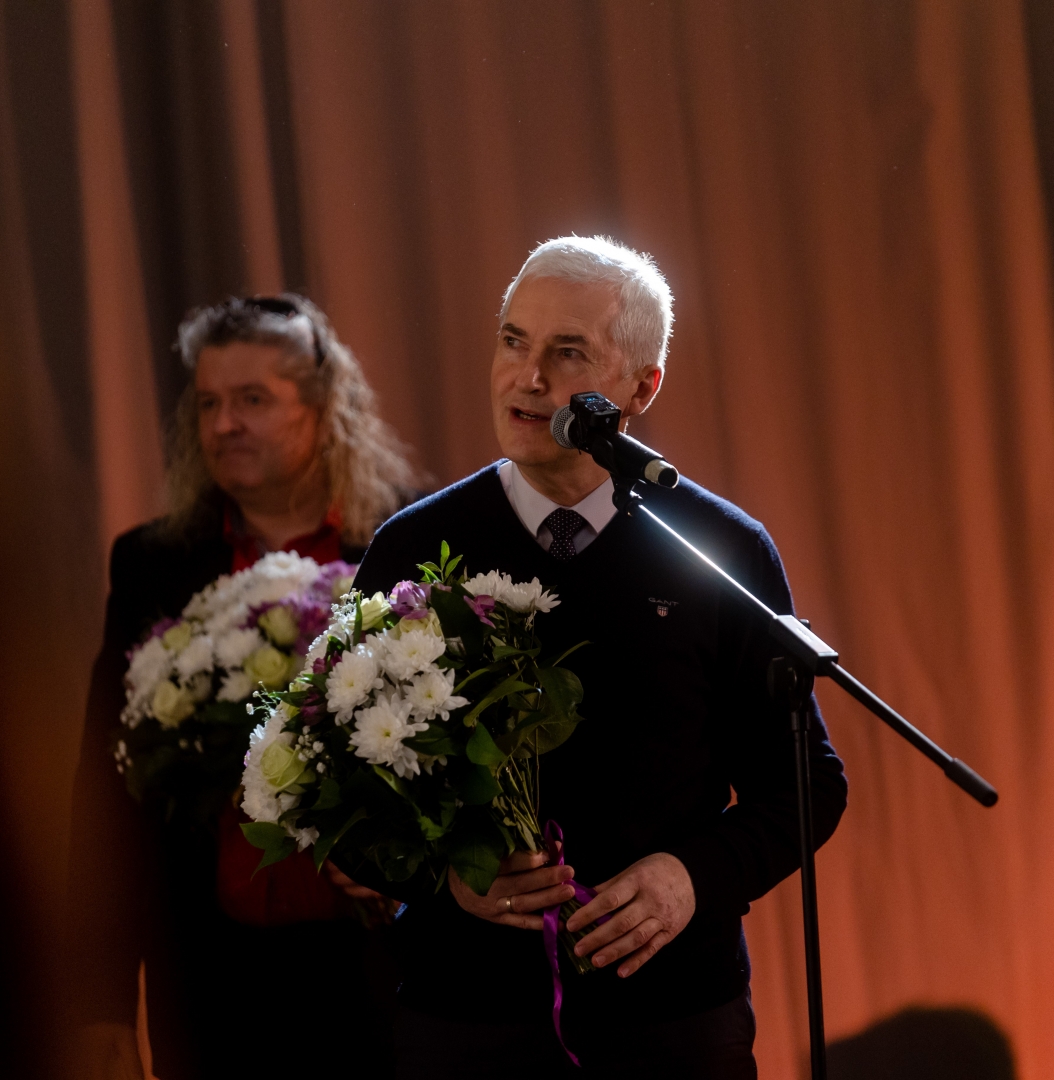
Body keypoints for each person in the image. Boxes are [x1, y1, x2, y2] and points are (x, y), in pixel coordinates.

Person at [349, 235, 849, 1079]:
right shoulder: (414, 547)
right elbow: (344, 790)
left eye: (568, 353)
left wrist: (691, 878)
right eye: (513, 341)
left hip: (673, 1017)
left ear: (641, 387)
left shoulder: (720, 551)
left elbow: (806, 786)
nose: (527, 377)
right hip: (465, 1015)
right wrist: (448, 876)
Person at [65, 294, 417, 1079]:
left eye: (252, 400)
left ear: (325, 408)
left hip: (381, 974)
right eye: (209, 403)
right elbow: (107, 788)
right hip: (213, 981)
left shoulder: (406, 539)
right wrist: (102, 1004)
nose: (223, 425)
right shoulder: (154, 564)